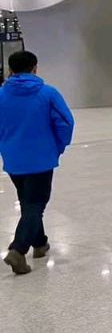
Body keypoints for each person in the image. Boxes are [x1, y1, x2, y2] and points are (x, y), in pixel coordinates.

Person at [0, 51, 75, 275]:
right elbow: (65, 123)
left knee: (28, 201)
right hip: (41, 159)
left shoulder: (1, 95)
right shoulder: (48, 93)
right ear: (35, 68)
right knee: (35, 204)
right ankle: (18, 249)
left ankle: (40, 243)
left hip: (13, 159)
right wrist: (57, 146)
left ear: (10, 70)